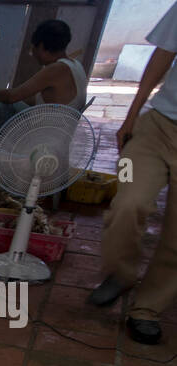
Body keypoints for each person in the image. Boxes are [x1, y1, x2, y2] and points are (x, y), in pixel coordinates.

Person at [89, 1, 177, 346]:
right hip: (159, 126)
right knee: (129, 200)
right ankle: (120, 273)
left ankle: (147, 310)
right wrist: (131, 116)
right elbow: (163, 55)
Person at [0, 19, 88, 178]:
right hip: (56, 124)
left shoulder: (56, 69)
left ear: (42, 46)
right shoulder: (74, 64)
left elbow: (12, 96)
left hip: (46, 131)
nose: (33, 54)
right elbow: (39, 100)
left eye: (34, 48)